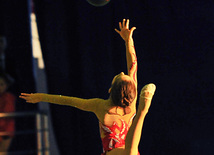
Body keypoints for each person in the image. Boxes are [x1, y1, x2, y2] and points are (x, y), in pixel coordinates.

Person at [19, 19, 156, 155]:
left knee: (130, 152)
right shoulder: (130, 102)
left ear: (110, 90)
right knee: (130, 153)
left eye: (119, 76)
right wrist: (128, 41)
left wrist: (42, 96)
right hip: (118, 153)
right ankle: (142, 112)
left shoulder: (100, 106)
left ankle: (142, 112)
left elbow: (69, 100)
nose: (121, 72)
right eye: (122, 75)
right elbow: (133, 66)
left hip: (127, 152)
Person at [0, 72, 16, 155]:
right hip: (3, 129)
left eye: (2, 84)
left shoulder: (8, 97)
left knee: (2, 152)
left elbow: (8, 111)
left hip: (6, 130)